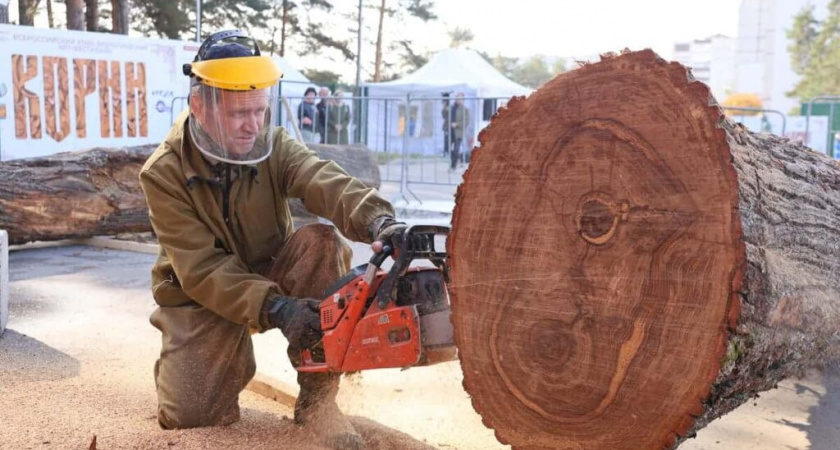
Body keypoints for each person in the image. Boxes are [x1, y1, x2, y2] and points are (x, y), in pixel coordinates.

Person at [139, 29, 408, 450]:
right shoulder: (163, 172)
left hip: (270, 267)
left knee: (321, 241)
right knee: (191, 415)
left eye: (260, 111)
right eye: (238, 114)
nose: (253, 125)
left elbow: (322, 180)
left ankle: (319, 402)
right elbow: (202, 268)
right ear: (199, 107)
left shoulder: (272, 145)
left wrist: (379, 221)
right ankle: (222, 354)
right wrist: (275, 307)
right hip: (201, 294)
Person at [450, 92, 471, 171]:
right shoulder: (451, 107)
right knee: (449, 149)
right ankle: (456, 161)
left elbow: (467, 121)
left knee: (456, 149)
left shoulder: (465, 109)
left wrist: (457, 124)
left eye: (460, 98)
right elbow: (445, 117)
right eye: (457, 98)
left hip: (458, 132)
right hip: (450, 131)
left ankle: (453, 165)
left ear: (463, 100)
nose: (458, 100)